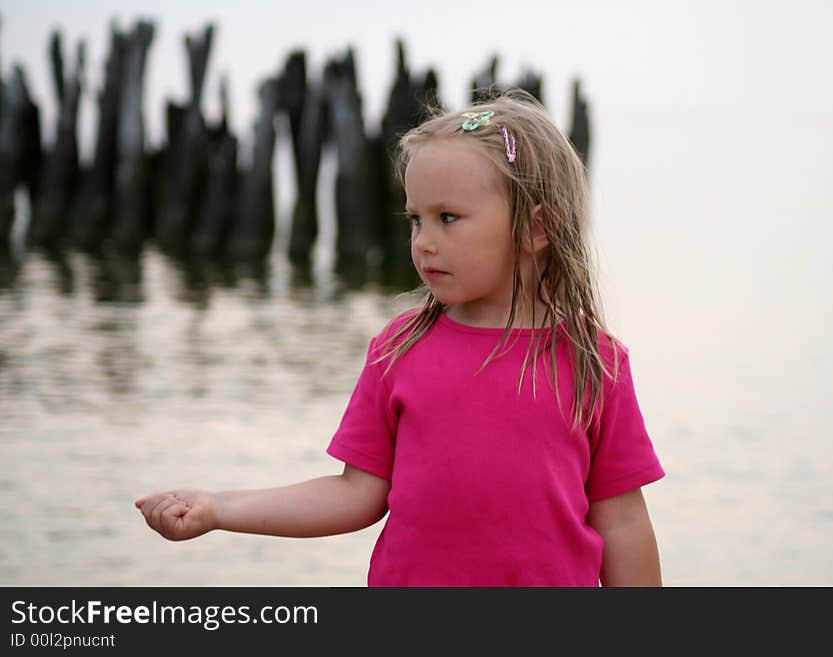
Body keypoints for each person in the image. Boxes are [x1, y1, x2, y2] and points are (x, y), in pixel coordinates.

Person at [136, 90, 665, 586]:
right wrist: (218, 508)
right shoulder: (401, 349)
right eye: (416, 220)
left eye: (448, 218)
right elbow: (355, 494)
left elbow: (622, 521)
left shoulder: (594, 362)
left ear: (535, 228)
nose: (423, 243)